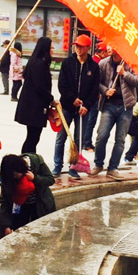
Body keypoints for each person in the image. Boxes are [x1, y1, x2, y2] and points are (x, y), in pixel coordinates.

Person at [52, 34, 100, 179]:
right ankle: (57, 165)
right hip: (67, 106)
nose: (78, 49)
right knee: (61, 137)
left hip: (83, 110)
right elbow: (62, 84)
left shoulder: (94, 66)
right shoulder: (68, 63)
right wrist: (72, 98)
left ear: (88, 48)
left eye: (81, 46)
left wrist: (87, 105)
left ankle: (74, 166)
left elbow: (94, 90)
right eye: (76, 46)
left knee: (78, 139)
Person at [90, 47, 138, 180]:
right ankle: (98, 164)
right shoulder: (103, 63)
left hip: (125, 107)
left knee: (120, 139)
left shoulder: (130, 63)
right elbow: (96, 83)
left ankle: (113, 168)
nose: (109, 48)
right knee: (102, 136)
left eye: (112, 46)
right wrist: (105, 91)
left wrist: (125, 73)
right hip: (108, 105)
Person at [15, 37, 58, 153]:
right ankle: (27, 158)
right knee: (32, 137)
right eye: (51, 47)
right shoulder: (38, 64)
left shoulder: (38, 62)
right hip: (33, 107)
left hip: (34, 105)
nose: (53, 50)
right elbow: (40, 87)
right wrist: (51, 99)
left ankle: (28, 158)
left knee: (33, 137)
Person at [0, 153, 56, 235]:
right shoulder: (8, 177)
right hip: (19, 206)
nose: (14, 178)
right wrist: (7, 225)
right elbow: (4, 201)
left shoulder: (36, 162)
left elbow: (50, 180)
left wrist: (35, 178)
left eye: (15, 175)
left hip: (39, 204)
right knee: (20, 231)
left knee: (40, 231)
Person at [84, 41, 109, 151]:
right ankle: (87, 142)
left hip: (91, 96)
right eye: (107, 52)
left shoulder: (93, 60)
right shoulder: (98, 63)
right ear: (102, 52)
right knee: (91, 120)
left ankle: (85, 141)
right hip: (93, 97)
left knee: (89, 120)